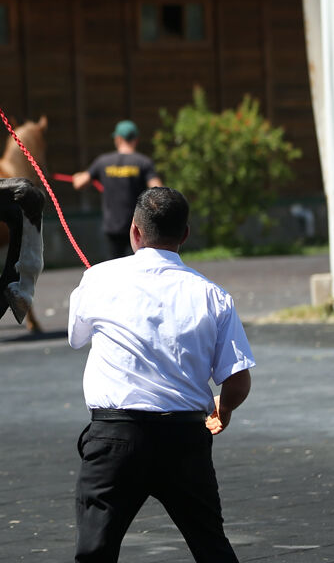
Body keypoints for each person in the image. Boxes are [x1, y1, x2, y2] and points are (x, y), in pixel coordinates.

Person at [67, 187, 254, 563]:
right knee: (211, 547)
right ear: (185, 234)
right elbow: (237, 380)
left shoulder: (98, 278)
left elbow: (76, 337)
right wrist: (225, 408)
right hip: (184, 438)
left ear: (134, 231)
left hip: (115, 436)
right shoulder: (212, 295)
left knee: (95, 552)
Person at [72, 120, 162, 260]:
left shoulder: (103, 162)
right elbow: (158, 190)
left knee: (115, 265)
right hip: (138, 226)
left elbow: (79, 184)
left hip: (112, 226)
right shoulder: (143, 162)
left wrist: (77, 176)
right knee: (140, 264)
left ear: (118, 139)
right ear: (136, 139)